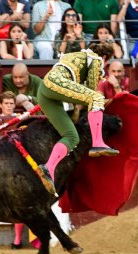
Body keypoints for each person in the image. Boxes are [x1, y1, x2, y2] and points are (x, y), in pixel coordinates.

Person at [36, 44, 119, 196]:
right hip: (55, 83)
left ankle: (48, 168)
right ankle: (98, 143)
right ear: (105, 58)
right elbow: (92, 92)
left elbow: (78, 97)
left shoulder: (76, 58)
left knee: (72, 137)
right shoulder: (95, 59)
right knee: (96, 97)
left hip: (45, 90)